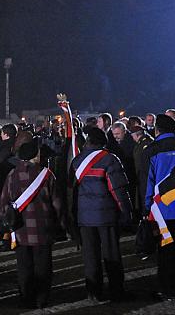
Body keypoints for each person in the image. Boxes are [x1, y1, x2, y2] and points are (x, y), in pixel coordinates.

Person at [0, 134, 64, 309]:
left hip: (19, 229)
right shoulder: (46, 174)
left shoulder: (12, 175)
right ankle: (42, 298)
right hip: (43, 227)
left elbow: (4, 202)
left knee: (24, 266)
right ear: (36, 155)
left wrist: (6, 225)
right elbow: (57, 203)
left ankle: (26, 297)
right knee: (43, 265)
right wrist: (60, 223)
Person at [71, 127, 133, 302]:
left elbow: (72, 192)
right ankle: (116, 291)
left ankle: (93, 291)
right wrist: (126, 212)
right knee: (111, 255)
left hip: (84, 216)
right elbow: (118, 190)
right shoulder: (110, 159)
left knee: (90, 256)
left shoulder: (76, 161)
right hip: (106, 216)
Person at [139, 114, 175, 302]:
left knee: (167, 250)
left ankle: (169, 290)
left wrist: (145, 210)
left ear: (157, 130)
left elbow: (147, 182)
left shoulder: (151, 150)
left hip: (163, 207)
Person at [0, 123, 18, 195]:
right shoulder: (15, 145)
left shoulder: (4, 148)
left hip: (3, 181)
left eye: (2, 133)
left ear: (6, 135)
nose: (0, 135)